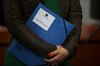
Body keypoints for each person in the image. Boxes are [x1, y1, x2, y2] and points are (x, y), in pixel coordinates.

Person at [3, 0, 82, 66]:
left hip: (61, 57)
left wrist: (69, 48)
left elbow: (75, 14)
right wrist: (50, 50)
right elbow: (14, 23)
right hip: (23, 56)